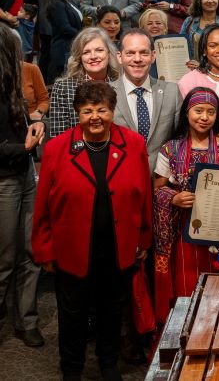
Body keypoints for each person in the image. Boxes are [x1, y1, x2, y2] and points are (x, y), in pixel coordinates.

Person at [33, 81, 151, 380]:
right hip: (71, 250)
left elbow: (144, 197)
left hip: (118, 246)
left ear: (112, 111)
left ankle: (108, 363)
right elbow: (43, 204)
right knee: (72, 315)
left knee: (112, 312)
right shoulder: (57, 148)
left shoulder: (134, 144)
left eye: (102, 110)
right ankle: (71, 368)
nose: (95, 117)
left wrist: (144, 238)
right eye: (87, 111)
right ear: (77, 113)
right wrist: (45, 249)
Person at [152, 87, 219, 320]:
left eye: (211, 112)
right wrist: (174, 198)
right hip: (185, 236)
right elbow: (157, 189)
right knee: (188, 294)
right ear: (186, 113)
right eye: (198, 110)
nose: (204, 117)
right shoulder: (171, 148)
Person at [0, 26, 46, 348]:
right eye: (16, 50)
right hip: (4, 181)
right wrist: (24, 148)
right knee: (4, 258)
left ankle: (26, 320)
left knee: (31, 252)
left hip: (26, 176)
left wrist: (36, 125)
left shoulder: (12, 84)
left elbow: (21, 124)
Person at [111, 28, 181, 172]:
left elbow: (179, 140)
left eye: (144, 52)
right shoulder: (106, 93)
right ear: (119, 57)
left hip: (161, 182)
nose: (137, 59)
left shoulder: (172, 92)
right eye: (130, 53)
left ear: (153, 56)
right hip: (119, 180)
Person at [47, 28, 120, 138]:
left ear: (109, 53)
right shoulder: (63, 87)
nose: (93, 56)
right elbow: (59, 137)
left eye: (99, 50)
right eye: (86, 52)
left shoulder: (120, 83)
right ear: (79, 58)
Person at [43, 0, 83, 84]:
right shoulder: (56, 4)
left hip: (73, 46)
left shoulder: (68, 1)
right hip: (63, 50)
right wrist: (84, 35)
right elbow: (65, 28)